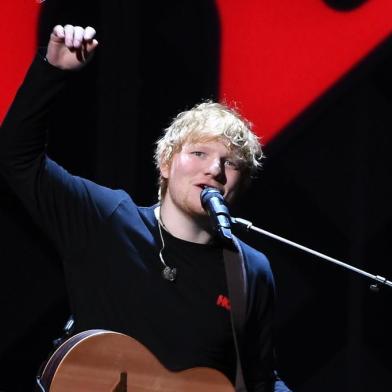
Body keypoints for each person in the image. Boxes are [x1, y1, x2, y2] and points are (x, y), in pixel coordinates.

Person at [0, 25, 291, 391]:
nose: (214, 169)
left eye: (230, 163)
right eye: (199, 153)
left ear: (241, 183)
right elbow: (17, 159)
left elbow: (261, 378)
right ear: (166, 164)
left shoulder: (249, 271)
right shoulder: (107, 220)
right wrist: (51, 71)